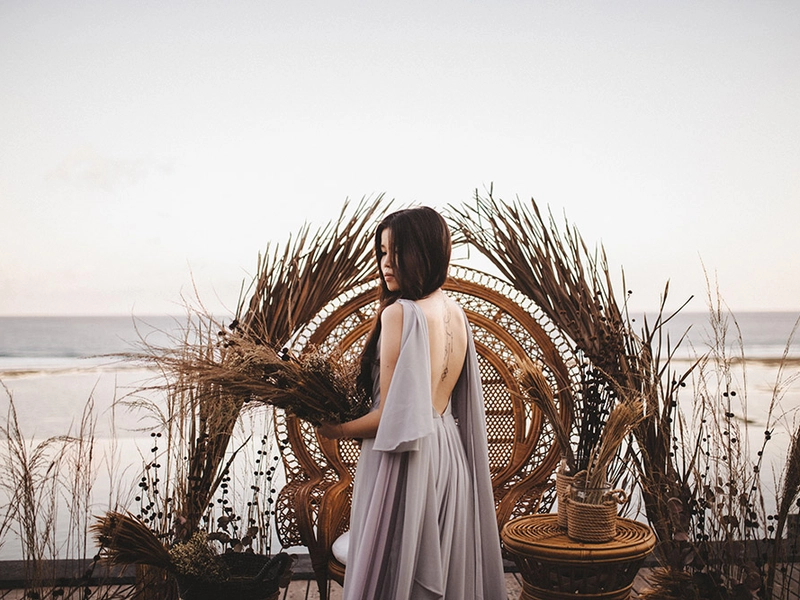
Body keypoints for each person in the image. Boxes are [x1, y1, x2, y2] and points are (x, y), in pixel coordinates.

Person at [318, 206, 507, 599]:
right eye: (382, 252)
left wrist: (334, 429)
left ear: (424, 252)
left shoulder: (400, 314)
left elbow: (389, 420)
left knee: (396, 576)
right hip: (449, 454)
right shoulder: (455, 311)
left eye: (398, 251)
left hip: (407, 461)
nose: (387, 264)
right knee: (434, 565)